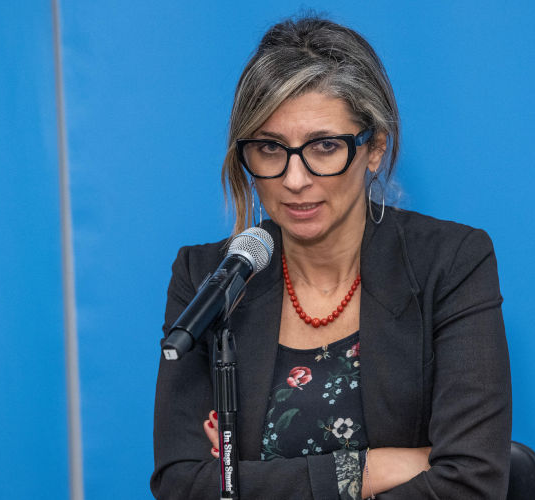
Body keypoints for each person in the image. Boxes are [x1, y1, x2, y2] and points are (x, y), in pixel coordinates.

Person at [151, 15, 511, 500]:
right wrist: (366, 470)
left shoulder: (451, 263)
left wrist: (253, 481)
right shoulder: (208, 278)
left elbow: (471, 482)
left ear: (375, 148)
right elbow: (182, 486)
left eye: (324, 146)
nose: (295, 179)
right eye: (269, 148)